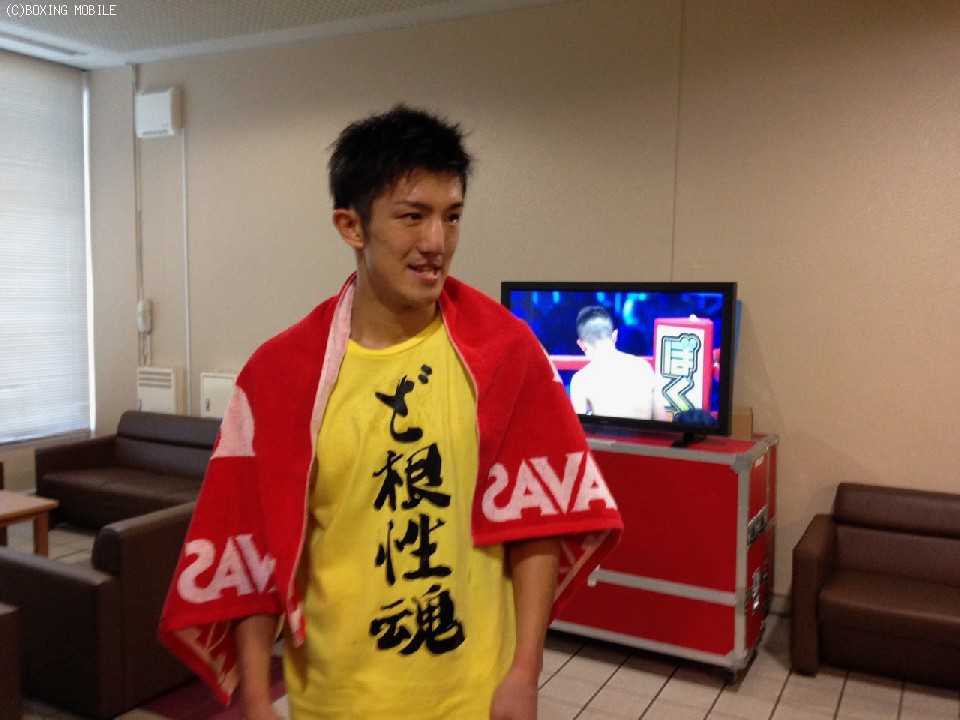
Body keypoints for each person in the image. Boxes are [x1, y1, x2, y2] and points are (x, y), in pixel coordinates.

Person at [159, 105, 622, 720]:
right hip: (336, 699)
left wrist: (525, 671)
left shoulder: (507, 355)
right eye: (412, 216)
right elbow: (251, 544)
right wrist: (257, 699)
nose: (436, 242)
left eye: (451, 216)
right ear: (351, 225)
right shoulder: (279, 377)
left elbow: (537, 524)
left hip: (473, 697)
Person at [570, 305, 657, 420]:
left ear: (581, 344)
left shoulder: (581, 380)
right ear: (615, 335)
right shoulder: (644, 367)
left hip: (606, 432)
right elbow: (663, 421)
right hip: (644, 431)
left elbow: (577, 427)